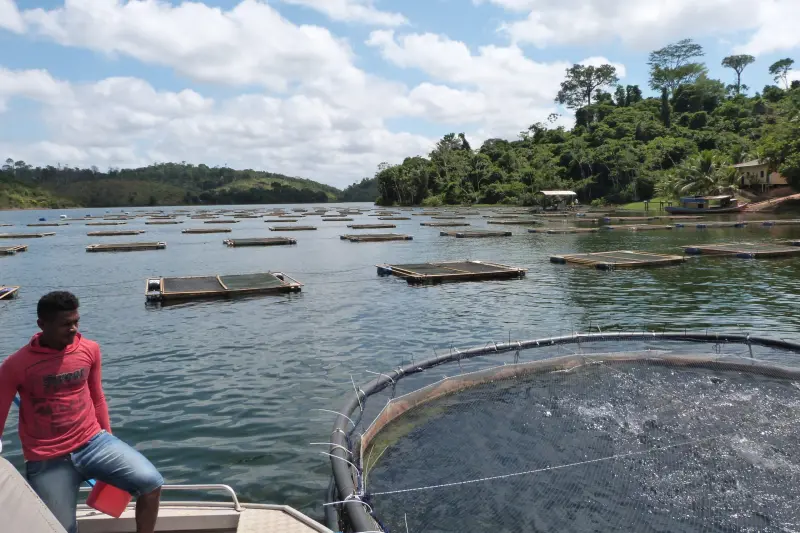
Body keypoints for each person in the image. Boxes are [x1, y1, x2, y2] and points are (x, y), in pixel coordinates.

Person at [0, 291, 163, 533]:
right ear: (42, 325)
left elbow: (97, 398)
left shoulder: (90, 349)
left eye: (76, 321)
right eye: (66, 324)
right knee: (60, 528)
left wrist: (109, 437)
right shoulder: (16, 365)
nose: (74, 328)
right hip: (47, 458)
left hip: (94, 443)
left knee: (151, 483)